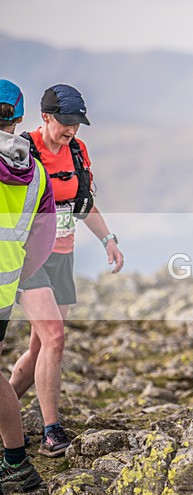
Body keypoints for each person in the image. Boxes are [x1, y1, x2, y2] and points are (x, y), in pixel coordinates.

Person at [11, 84, 124, 458]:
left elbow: (83, 203)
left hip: (62, 256)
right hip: (28, 259)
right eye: (65, 122)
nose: (71, 129)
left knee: (40, 347)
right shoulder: (22, 150)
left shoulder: (77, 150)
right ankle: (51, 432)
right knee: (55, 337)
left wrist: (108, 239)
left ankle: (5, 409)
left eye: (77, 123)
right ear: (45, 116)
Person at [0, 79, 55, 490]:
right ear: (19, 119)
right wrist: (15, 276)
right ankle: (16, 461)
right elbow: (42, 241)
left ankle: (17, 462)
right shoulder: (36, 173)